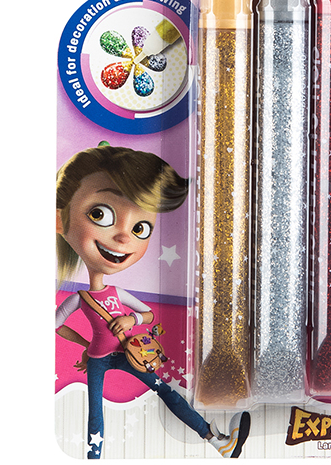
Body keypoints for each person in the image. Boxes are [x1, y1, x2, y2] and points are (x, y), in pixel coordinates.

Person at [55, 146, 250, 458]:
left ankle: (217, 441)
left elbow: (146, 314)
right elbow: (55, 326)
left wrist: (131, 319)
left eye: (140, 228)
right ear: (59, 220)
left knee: (166, 391)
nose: (124, 237)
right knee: (95, 413)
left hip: (130, 354)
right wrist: (84, 344)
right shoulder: (79, 299)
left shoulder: (117, 293)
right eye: (100, 214)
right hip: (97, 358)